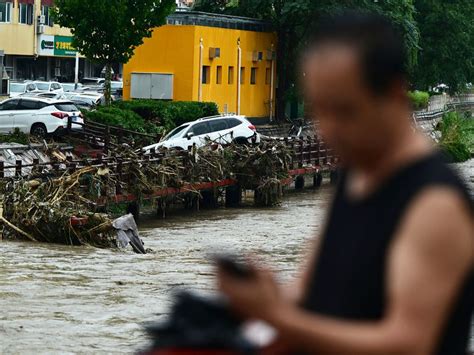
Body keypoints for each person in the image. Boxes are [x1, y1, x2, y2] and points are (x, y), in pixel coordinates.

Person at [218, 12, 473, 355]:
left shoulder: (435, 203)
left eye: (345, 110)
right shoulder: (354, 176)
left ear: (395, 95)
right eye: (319, 110)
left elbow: (409, 343)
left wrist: (276, 316)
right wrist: (261, 302)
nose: (328, 129)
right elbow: (309, 292)